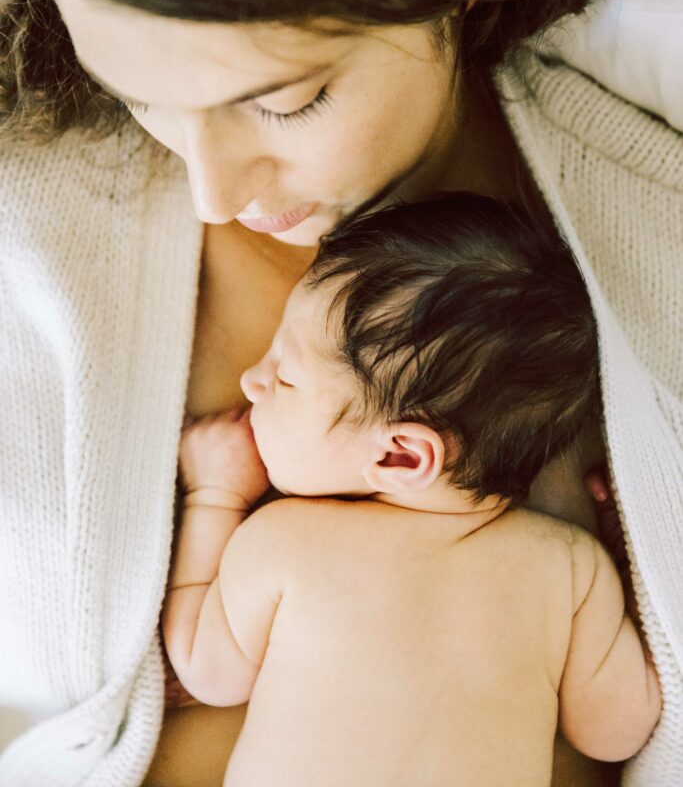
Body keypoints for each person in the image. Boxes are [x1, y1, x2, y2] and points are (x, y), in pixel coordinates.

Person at [0, 0, 680, 785]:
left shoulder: (650, 247)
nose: (213, 190)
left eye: (283, 102)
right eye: (138, 95)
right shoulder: (32, 239)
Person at [163, 194, 661, 786]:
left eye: (285, 375)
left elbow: (206, 670)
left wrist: (214, 496)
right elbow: (617, 730)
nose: (252, 379)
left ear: (400, 455)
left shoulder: (287, 541)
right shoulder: (573, 571)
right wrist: (632, 554)